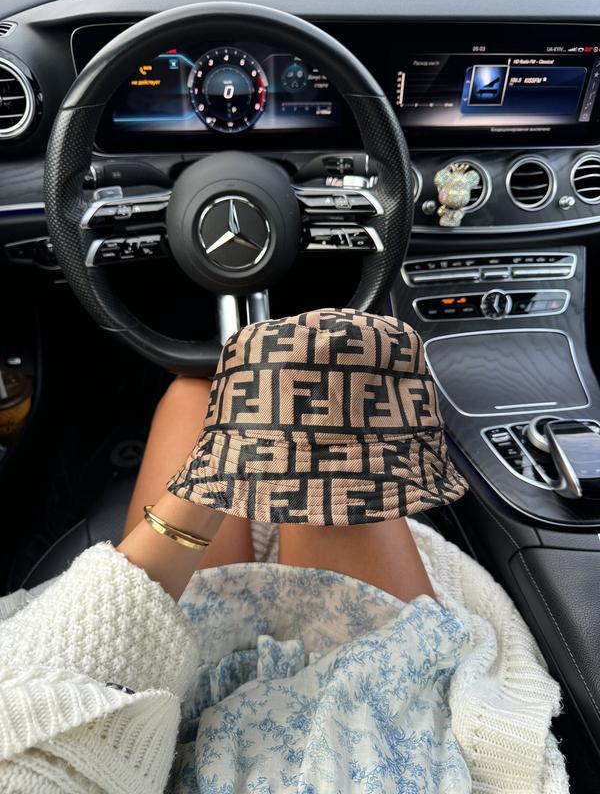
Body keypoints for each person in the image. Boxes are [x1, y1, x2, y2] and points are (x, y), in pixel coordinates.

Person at [0, 308, 567, 793]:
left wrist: (207, 487)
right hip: (376, 722)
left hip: (165, 708)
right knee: (326, 394)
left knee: (196, 392)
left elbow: (41, 715)